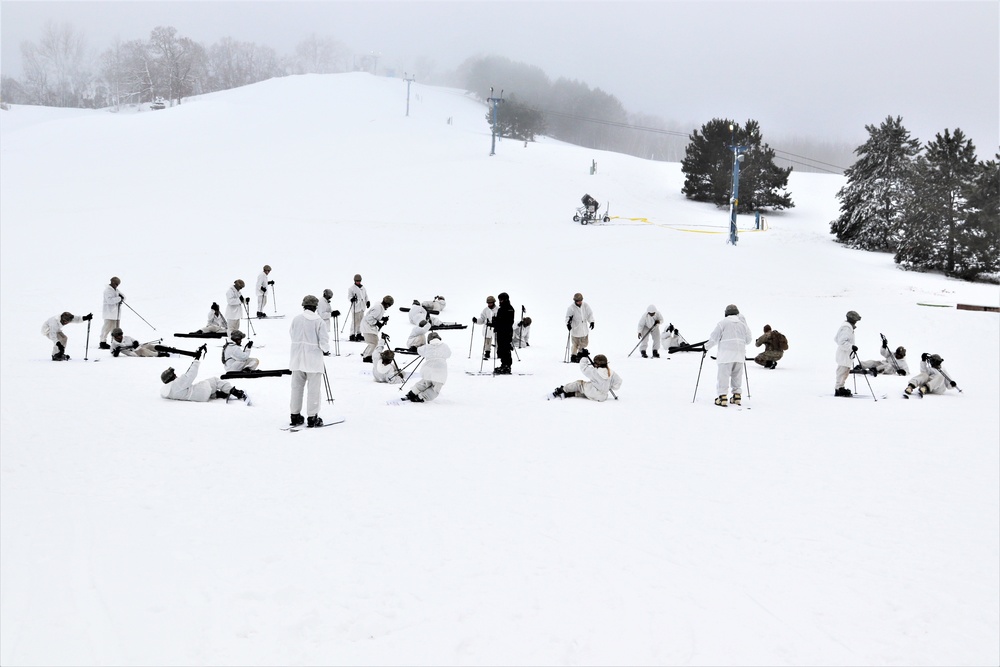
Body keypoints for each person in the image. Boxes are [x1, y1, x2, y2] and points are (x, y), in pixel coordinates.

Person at [289, 295, 330, 427]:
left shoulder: (296, 319)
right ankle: (312, 417)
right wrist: (326, 350)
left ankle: (294, 415)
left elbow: (291, 333)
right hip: (313, 361)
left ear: (304, 305)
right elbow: (324, 342)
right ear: (315, 307)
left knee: (296, 388)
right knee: (314, 390)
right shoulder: (319, 321)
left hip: (297, 359)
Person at [160, 347, 248, 403]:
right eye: (173, 375)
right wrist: (196, 360)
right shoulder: (177, 383)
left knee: (205, 387)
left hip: (197, 397)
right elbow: (190, 375)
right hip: (201, 392)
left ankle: (217, 394)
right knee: (215, 380)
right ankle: (235, 392)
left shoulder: (167, 392)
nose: (176, 375)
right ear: (170, 378)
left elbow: (186, 378)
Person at [705, 304, 752, 407]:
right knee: (737, 376)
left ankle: (722, 397)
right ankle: (736, 396)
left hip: (726, 355)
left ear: (726, 313)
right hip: (740, 354)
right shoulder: (743, 324)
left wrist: (706, 347)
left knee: (723, 376)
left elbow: (714, 338)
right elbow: (748, 340)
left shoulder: (722, 323)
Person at [550, 352, 622, 401]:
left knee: (580, 384)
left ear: (597, 364)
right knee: (589, 389)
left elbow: (583, 368)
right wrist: (609, 386)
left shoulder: (594, 372)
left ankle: (562, 390)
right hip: (603, 397)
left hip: (593, 393)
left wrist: (584, 357)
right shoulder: (611, 372)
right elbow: (618, 382)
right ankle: (572, 394)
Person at [404, 331, 451, 402]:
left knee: (424, 382)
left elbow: (419, 350)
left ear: (429, 340)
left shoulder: (426, 347)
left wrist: (417, 349)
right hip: (440, 371)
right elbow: (448, 354)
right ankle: (421, 397)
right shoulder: (445, 346)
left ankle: (412, 393)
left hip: (428, 370)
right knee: (435, 389)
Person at [834, 310, 862, 397]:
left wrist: (851, 347)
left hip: (846, 355)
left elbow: (836, 339)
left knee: (845, 372)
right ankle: (839, 389)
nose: (856, 321)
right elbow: (841, 342)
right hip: (844, 355)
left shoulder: (848, 327)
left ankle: (840, 387)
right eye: (855, 319)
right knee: (842, 372)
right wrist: (851, 347)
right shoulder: (846, 328)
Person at [360, 295, 393, 363]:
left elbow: (375, 316)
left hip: (369, 327)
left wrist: (383, 318)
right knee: (374, 343)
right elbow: (369, 318)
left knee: (373, 343)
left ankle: (366, 354)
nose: (388, 307)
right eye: (389, 305)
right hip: (368, 327)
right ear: (386, 303)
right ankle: (367, 357)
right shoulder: (378, 308)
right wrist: (377, 323)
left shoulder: (380, 307)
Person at [565, 292, 595, 362]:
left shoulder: (585, 305)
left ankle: (580, 354)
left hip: (584, 328)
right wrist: (568, 324)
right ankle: (573, 356)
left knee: (584, 343)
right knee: (575, 344)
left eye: (580, 301)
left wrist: (592, 321)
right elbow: (567, 317)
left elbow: (589, 314)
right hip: (575, 328)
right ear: (575, 301)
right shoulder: (571, 308)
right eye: (577, 301)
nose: (579, 302)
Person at [99, 276, 125, 349]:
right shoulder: (107, 290)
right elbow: (109, 301)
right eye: (116, 284)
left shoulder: (116, 290)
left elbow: (124, 297)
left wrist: (121, 297)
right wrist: (119, 298)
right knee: (106, 328)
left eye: (118, 284)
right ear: (112, 282)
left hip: (116, 314)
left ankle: (115, 342)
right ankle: (102, 342)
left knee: (115, 329)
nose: (117, 285)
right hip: (109, 313)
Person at [493, 292, 515, 374]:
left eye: (501, 299)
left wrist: (498, 322)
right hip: (500, 332)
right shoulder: (501, 308)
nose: (500, 301)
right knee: (501, 348)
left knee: (506, 348)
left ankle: (507, 366)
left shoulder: (509, 309)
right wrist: (494, 323)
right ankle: (503, 364)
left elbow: (508, 322)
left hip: (506, 332)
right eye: (499, 299)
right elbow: (500, 320)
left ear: (505, 299)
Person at [472, 295, 498, 360]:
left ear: (493, 302)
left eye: (490, 303)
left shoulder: (498, 309)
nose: (489, 304)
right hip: (488, 327)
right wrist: (476, 321)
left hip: (496, 327)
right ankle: (487, 352)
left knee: (498, 340)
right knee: (487, 340)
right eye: (488, 303)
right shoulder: (485, 310)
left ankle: (499, 353)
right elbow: (482, 319)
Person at [347, 274, 369, 342]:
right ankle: (352, 335)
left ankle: (359, 334)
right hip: (355, 307)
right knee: (355, 322)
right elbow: (349, 297)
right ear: (354, 281)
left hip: (362, 307)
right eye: (357, 281)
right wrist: (352, 299)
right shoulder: (351, 288)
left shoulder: (363, 288)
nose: (358, 282)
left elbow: (366, 296)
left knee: (361, 321)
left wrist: (367, 301)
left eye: (359, 281)